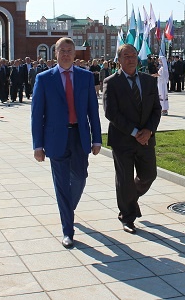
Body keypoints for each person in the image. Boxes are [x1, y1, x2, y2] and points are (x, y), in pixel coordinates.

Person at [31, 37, 102, 248]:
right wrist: (37, 146)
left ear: (74, 54)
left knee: (80, 177)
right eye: (62, 50)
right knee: (61, 185)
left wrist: (97, 139)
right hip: (55, 139)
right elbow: (37, 115)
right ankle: (67, 231)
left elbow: (93, 111)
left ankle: (68, 209)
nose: (66, 54)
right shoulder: (44, 79)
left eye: (69, 51)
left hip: (79, 136)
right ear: (55, 53)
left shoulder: (86, 77)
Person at [103, 44, 162, 234]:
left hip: (146, 139)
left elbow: (156, 109)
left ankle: (130, 198)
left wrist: (148, 131)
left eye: (134, 55)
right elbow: (111, 113)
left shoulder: (148, 81)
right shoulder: (111, 82)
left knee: (149, 175)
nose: (131, 59)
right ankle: (127, 217)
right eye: (126, 56)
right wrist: (135, 132)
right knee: (125, 180)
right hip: (123, 139)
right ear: (119, 60)